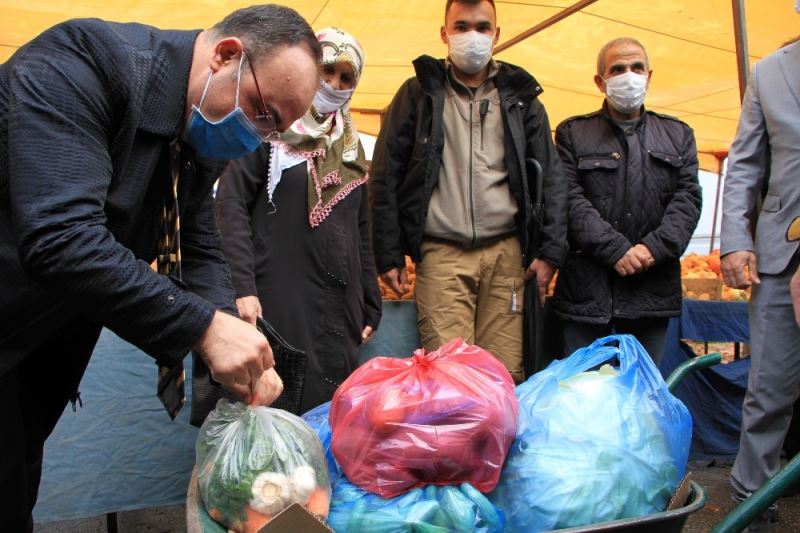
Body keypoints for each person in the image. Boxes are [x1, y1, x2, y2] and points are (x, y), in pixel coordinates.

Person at [0, 5, 321, 531]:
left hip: (43, 340)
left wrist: (230, 332)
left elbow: (197, 239)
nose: (257, 136)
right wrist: (203, 327)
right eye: (262, 111)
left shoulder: (197, 130)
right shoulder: (84, 65)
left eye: (274, 128)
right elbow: (61, 239)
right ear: (226, 55)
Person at [369, 0, 568, 383]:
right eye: (461, 26)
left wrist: (550, 252)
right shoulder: (417, 94)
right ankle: (453, 445)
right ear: (444, 34)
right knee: (449, 374)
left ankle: (501, 445)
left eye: (481, 26)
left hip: (507, 254)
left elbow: (553, 177)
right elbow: (385, 173)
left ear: (496, 34)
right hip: (441, 252)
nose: (471, 36)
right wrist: (389, 253)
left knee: (505, 373)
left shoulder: (520, 98)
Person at [215, 27, 382, 414]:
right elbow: (230, 203)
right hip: (276, 299)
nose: (333, 84)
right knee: (272, 410)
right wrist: (242, 285)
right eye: (325, 71)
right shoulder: (267, 132)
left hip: (339, 308)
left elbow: (361, 232)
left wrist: (370, 301)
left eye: (346, 77)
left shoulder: (352, 151)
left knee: (325, 422)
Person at [551, 37, 701, 364]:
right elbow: (568, 198)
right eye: (617, 69)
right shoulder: (573, 133)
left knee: (642, 401)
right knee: (583, 396)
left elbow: (687, 199)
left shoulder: (678, 134)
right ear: (600, 82)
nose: (628, 75)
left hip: (651, 290)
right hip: (586, 294)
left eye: (636, 67)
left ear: (649, 75)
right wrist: (615, 249)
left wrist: (653, 248)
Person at [721, 13, 800, 528]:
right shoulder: (770, 72)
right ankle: (754, 498)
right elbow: (746, 162)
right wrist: (734, 242)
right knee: (769, 386)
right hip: (778, 255)